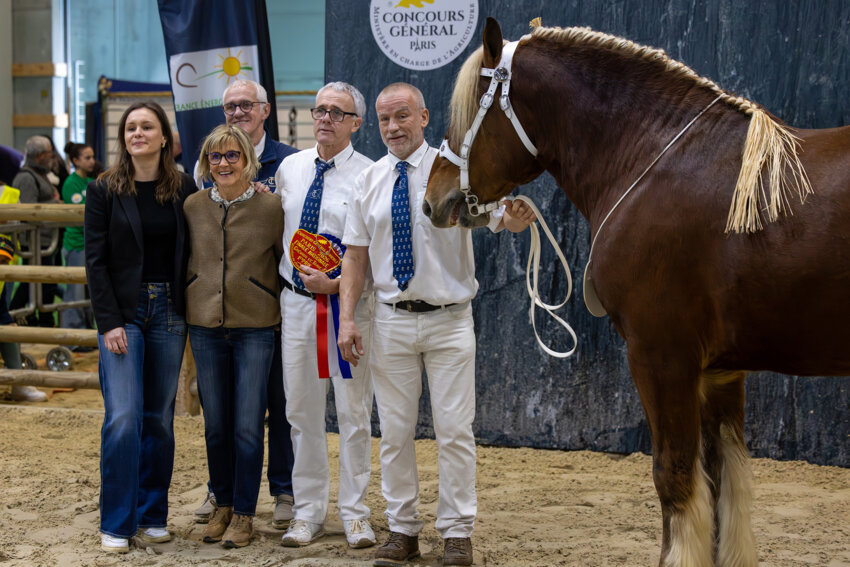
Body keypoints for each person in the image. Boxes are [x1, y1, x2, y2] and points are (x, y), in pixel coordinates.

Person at [338, 83, 536, 567]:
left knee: (454, 431)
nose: (393, 127)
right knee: (396, 433)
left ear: (424, 117)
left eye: (402, 116)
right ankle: (403, 530)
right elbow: (356, 256)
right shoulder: (368, 181)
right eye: (385, 119)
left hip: (449, 323)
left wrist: (516, 219)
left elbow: (500, 221)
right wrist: (347, 319)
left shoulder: (455, 173)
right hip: (390, 322)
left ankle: (456, 533)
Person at [84, 101, 195, 553]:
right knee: (124, 418)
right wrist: (109, 322)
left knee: (159, 420)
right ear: (123, 138)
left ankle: (153, 515)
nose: (137, 133)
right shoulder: (104, 189)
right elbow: (96, 262)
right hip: (124, 317)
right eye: (131, 127)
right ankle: (117, 519)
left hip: (169, 311)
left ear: (164, 137)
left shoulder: (184, 187)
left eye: (147, 126)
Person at [192, 79, 299, 529]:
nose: (223, 161)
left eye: (232, 155)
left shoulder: (283, 181)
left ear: (264, 110)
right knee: (219, 421)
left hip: (261, 321)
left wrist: (276, 307)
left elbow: (286, 256)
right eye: (216, 156)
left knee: (261, 417)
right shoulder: (194, 202)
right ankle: (222, 499)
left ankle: (267, 499)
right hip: (209, 322)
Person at [276, 82, 376, 549]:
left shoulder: (372, 174)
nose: (326, 119)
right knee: (301, 413)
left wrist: (338, 287)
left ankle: (355, 513)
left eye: (338, 113)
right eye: (320, 110)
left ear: (356, 123)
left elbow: (378, 250)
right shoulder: (289, 169)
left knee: (354, 413)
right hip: (296, 304)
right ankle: (308, 511)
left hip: (350, 307)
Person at [0, 174, 47, 402]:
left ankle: (19, 382)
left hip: (2, 267)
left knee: (4, 320)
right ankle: (19, 382)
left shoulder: (8, 193)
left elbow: (15, 228)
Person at [10, 136, 62, 327]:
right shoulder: (26, 177)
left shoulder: (37, 175)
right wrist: (55, 204)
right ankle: (12, 316)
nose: (52, 157)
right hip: (34, 241)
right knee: (32, 281)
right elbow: (28, 210)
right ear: (40, 155)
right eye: (49, 153)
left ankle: (37, 319)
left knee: (40, 283)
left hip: (45, 240)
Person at [60, 142, 95, 336]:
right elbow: (79, 215)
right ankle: (72, 335)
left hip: (88, 244)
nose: (92, 161)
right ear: (75, 161)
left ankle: (86, 331)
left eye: (92, 157)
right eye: (87, 157)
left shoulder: (89, 181)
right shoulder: (71, 183)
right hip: (75, 244)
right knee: (75, 292)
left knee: (88, 292)